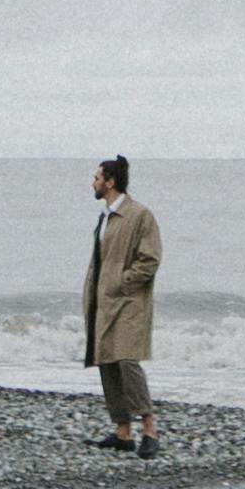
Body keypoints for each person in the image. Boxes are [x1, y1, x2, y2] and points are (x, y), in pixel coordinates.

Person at [84, 152, 160, 453]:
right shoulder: (105, 217)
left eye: (97, 178)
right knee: (107, 362)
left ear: (110, 182)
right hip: (103, 302)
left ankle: (150, 429)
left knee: (127, 361)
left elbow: (150, 259)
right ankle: (123, 431)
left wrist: (123, 282)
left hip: (129, 303)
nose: (93, 183)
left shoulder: (139, 215)